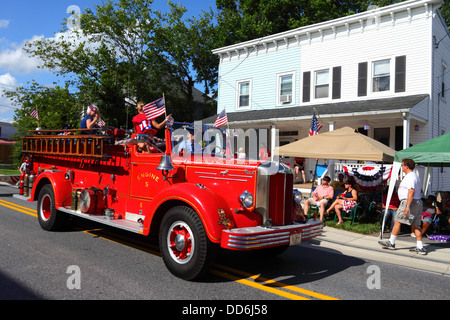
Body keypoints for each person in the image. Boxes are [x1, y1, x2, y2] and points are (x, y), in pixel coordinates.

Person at [378, 158, 426, 254]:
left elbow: (411, 191)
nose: (401, 167)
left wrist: (407, 206)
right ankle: (420, 247)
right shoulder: (415, 176)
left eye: (402, 165)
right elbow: (419, 191)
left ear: (406, 167)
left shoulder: (410, 177)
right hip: (417, 202)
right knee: (416, 224)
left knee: (397, 221)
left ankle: (391, 242)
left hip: (409, 202)